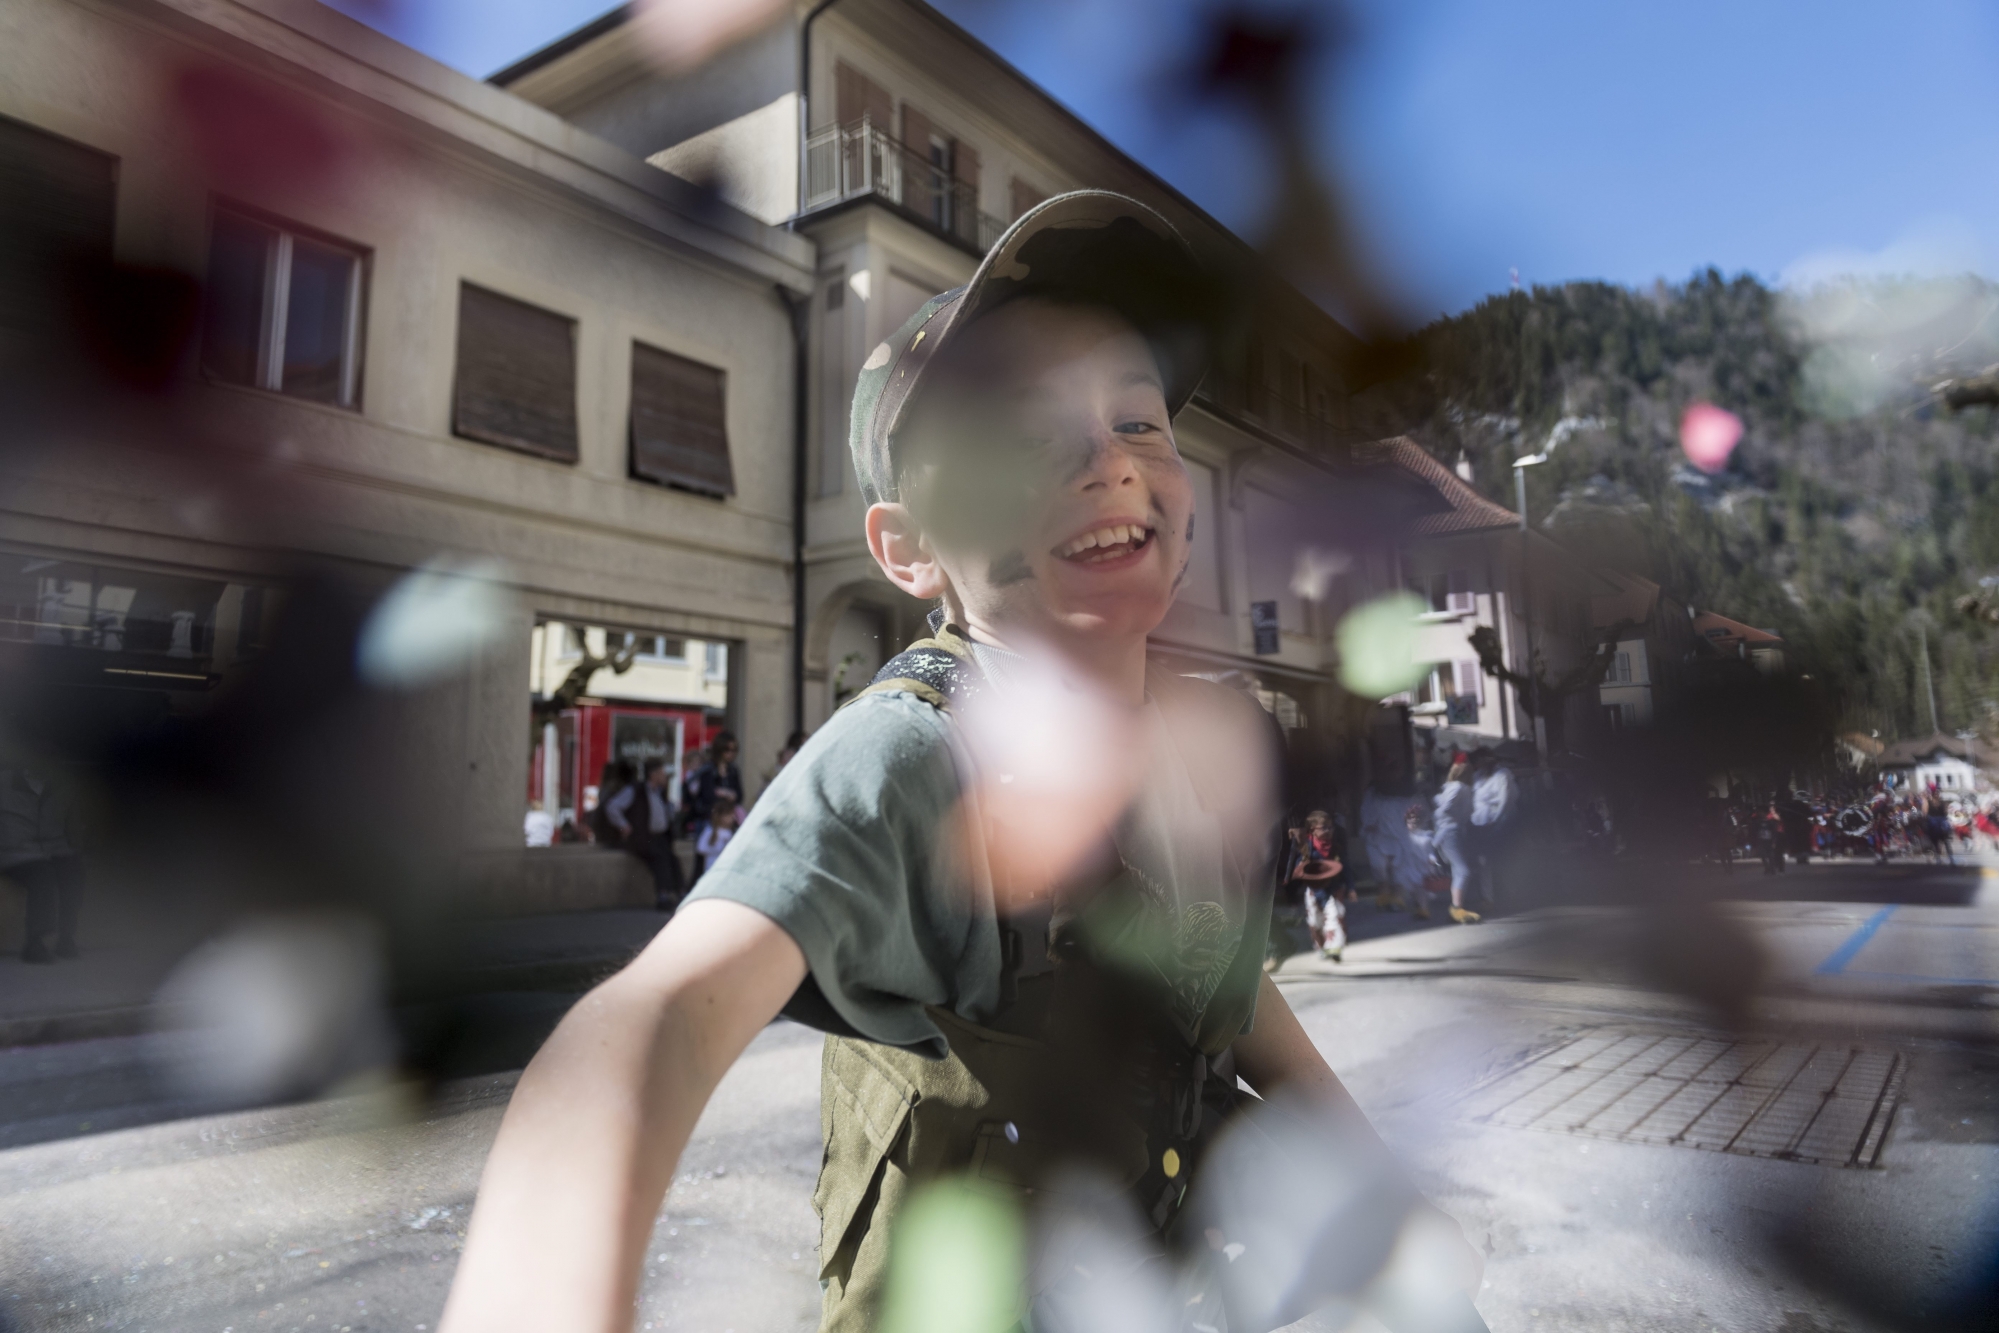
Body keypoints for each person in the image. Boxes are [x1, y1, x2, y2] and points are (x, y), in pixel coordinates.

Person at [439, 191, 1481, 1333]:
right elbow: (657, 1018)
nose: (1108, 461)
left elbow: (1229, 990)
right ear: (909, 550)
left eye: (1137, 421)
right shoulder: (911, 754)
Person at [1, 765, 82, 963]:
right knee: (42, 874)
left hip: (51, 849)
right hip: (13, 851)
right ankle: (34, 942)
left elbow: (71, 825)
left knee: (73, 870)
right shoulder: (3, 782)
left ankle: (66, 937)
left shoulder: (63, 785)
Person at [608, 758, 684, 911]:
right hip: (642, 837)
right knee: (659, 858)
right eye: (662, 773)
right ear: (653, 774)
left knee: (672, 859)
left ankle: (679, 893)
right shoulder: (636, 790)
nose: (664, 777)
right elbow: (612, 807)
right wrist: (623, 825)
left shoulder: (660, 793)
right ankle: (663, 896)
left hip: (660, 836)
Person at [1287, 810, 1349, 962]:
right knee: (1315, 922)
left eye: (1330, 827)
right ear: (1312, 830)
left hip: (1333, 888)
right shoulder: (1306, 848)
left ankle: (1335, 947)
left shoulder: (1336, 847)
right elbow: (1297, 868)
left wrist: (1351, 887)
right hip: (1313, 890)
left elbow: (1345, 866)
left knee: (1334, 915)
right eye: (1324, 828)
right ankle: (1321, 947)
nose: (1328, 831)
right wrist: (1301, 867)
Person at [680, 733, 742, 877]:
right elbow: (707, 795)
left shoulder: (733, 770)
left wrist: (725, 793)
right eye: (728, 750)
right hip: (708, 818)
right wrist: (726, 793)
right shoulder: (707, 769)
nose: (731, 754)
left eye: (734, 750)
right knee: (701, 862)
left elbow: (739, 794)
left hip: (727, 820)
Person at [1431, 757, 1480, 924]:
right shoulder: (1459, 787)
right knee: (1463, 870)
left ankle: (1457, 908)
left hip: (1453, 832)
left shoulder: (1457, 787)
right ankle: (1456, 908)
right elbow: (1445, 809)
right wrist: (1455, 820)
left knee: (1459, 871)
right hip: (1450, 832)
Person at [1467, 749, 1517, 908]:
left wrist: (1496, 822)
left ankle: (1509, 895)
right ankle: (1487, 897)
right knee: (1483, 862)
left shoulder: (1503, 775)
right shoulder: (1478, 776)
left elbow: (1505, 801)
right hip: (1479, 824)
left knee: (1501, 860)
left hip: (1498, 823)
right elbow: (1473, 798)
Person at [693, 790, 739, 868]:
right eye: (729, 815)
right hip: (711, 865)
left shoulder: (730, 832)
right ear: (720, 816)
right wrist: (717, 849)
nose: (732, 818)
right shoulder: (710, 830)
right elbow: (700, 848)